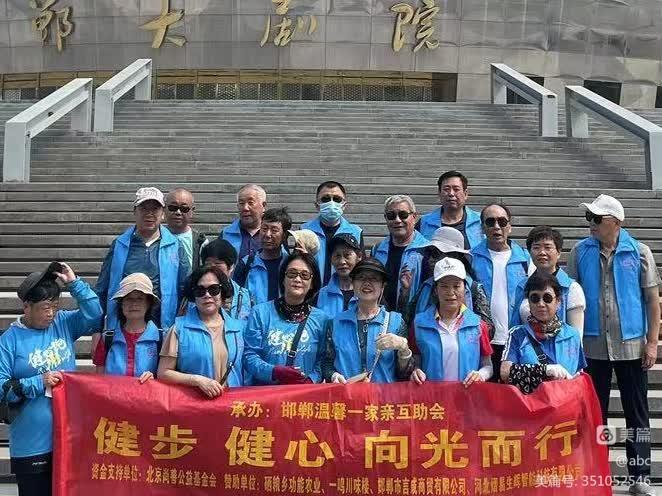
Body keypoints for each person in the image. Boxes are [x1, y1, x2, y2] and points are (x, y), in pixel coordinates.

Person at [566, 194, 659, 496]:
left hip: (631, 345)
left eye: (596, 218)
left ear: (616, 222)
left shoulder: (639, 252)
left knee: (637, 414)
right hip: (592, 346)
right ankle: (597, 472)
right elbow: (570, 297)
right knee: (596, 414)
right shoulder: (580, 252)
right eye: (589, 218)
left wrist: (652, 343)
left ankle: (640, 475)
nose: (591, 224)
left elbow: (652, 300)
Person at [0, 262, 102, 496]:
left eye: (55, 306)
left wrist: (75, 284)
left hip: (68, 437)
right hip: (31, 443)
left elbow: (95, 313)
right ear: (26, 306)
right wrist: (38, 382)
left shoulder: (63, 323)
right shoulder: (9, 341)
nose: (51, 314)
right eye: (45, 308)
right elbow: (1, 389)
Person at [95, 187, 191, 330]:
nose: (149, 213)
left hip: (164, 329)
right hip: (122, 329)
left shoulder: (175, 246)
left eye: (155, 209)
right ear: (134, 211)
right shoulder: (120, 245)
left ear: (163, 213)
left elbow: (187, 289)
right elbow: (102, 289)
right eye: (144, 208)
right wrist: (97, 328)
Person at [158, 266, 245, 396]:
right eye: (200, 291)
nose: (207, 295)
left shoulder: (239, 329)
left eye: (214, 289)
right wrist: (197, 380)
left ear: (222, 292)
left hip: (232, 403)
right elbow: (163, 373)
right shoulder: (178, 329)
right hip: (193, 404)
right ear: (193, 295)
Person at [323, 258, 412, 384]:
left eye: (374, 279)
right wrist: (333, 376)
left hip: (383, 395)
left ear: (382, 286)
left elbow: (404, 374)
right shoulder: (336, 323)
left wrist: (403, 348)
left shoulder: (396, 322)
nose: (367, 283)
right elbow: (326, 363)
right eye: (361, 278)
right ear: (353, 283)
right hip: (347, 394)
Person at [244, 253, 328, 385]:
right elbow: (249, 356)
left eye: (305, 275)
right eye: (292, 273)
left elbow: (323, 360)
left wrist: (311, 380)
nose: (297, 279)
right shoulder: (260, 313)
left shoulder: (321, 319)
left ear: (312, 283)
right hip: (265, 394)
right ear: (283, 279)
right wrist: (274, 371)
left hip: (304, 394)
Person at [408, 258, 493, 386]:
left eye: (456, 286)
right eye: (444, 286)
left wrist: (480, 375)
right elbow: (416, 361)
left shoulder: (478, 325)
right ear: (436, 290)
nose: (451, 292)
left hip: (467, 395)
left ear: (465, 288)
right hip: (432, 396)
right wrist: (416, 371)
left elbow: (488, 365)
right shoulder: (419, 324)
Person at [471, 203, 531, 381]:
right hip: (482, 341)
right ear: (482, 227)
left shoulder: (525, 259)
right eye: (490, 222)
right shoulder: (471, 257)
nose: (496, 226)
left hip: (516, 340)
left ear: (509, 226)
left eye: (502, 221)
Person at [501, 271, 586, 394]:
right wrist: (545, 370)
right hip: (530, 403)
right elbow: (505, 372)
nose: (541, 304)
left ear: (558, 302)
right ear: (529, 303)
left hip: (565, 402)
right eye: (535, 298)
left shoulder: (572, 335)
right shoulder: (517, 334)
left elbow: (579, 373)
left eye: (547, 298)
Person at [402, 227, 493, 334]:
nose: (430, 259)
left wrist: (464, 314)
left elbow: (489, 330)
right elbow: (408, 322)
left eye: (435, 254)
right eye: (428, 253)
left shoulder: (473, 288)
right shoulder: (426, 286)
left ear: (454, 256)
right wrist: (406, 292)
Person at [510, 226, 585, 335]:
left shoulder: (571, 288)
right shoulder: (522, 286)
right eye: (536, 247)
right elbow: (514, 328)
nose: (542, 252)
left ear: (558, 252)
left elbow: (576, 336)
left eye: (547, 247)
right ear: (529, 252)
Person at [93, 273, 161, 383]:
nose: (134, 303)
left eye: (140, 298)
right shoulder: (107, 339)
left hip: (149, 394)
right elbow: (99, 381)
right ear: (121, 304)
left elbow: (167, 377)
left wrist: (156, 379)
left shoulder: (161, 339)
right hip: (113, 394)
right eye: (128, 298)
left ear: (149, 303)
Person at [372, 195, 428, 312]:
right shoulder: (377, 250)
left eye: (403, 215)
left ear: (414, 217)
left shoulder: (426, 250)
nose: (397, 220)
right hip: (381, 317)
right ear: (385, 218)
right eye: (391, 216)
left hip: (416, 318)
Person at [301, 181, 364, 284]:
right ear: (317, 205)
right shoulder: (304, 230)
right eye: (325, 199)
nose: (331, 203)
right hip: (312, 291)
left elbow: (361, 268)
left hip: (343, 291)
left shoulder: (356, 232)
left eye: (337, 199)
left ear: (344, 205)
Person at [234, 207, 291, 305]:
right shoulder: (247, 263)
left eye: (274, 230)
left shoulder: (290, 264)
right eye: (264, 229)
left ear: (284, 235)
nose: (268, 234)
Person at [417, 171, 483, 249]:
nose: (451, 193)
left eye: (456, 189)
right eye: (446, 189)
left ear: (465, 194)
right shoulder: (425, 222)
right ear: (439, 193)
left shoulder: (481, 221)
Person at [201, 239, 251, 320]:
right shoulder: (197, 293)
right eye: (208, 264)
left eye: (217, 264)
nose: (212, 269)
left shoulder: (245, 296)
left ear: (231, 267)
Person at [316, 234, 362, 318]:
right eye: (337, 256)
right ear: (331, 259)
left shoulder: (368, 292)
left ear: (359, 256)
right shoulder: (321, 295)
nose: (342, 262)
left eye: (347, 255)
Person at [220, 184, 266, 261]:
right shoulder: (226, 234)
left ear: (263, 205)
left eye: (250, 202)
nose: (245, 208)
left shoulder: (273, 234)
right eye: (241, 203)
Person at [164, 188, 207, 268]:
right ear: (164, 208)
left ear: (192, 211)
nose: (178, 212)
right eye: (173, 207)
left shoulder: (200, 241)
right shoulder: (154, 237)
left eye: (184, 209)